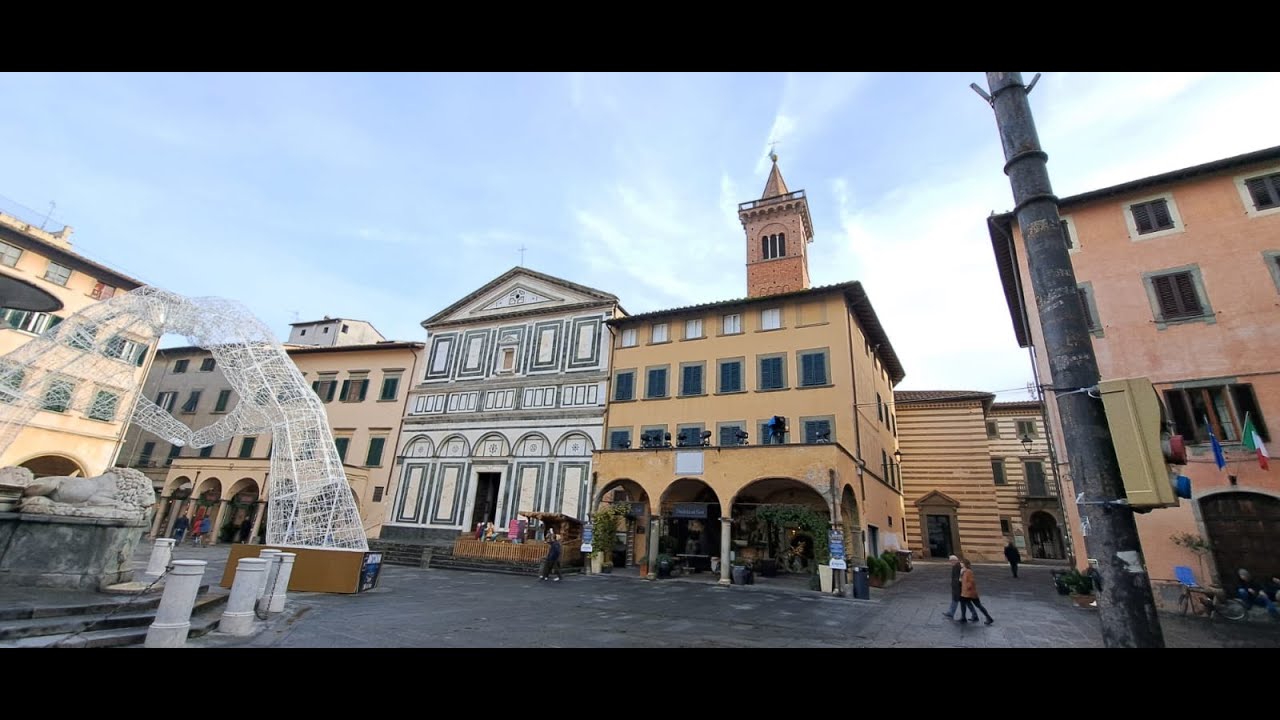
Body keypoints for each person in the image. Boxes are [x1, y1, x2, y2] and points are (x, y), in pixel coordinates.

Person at [959, 559, 995, 625]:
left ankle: (988, 618)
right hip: (965, 592)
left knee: (977, 605)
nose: (960, 564)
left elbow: (971, 581)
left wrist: (967, 588)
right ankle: (985, 617)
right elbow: (960, 580)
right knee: (967, 604)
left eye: (961, 563)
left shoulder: (968, 571)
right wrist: (961, 574)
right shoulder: (963, 571)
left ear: (965, 564)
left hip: (969, 592)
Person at [943, 555, 963, 619]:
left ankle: (974, 614)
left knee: (964, 602)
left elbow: (957, 578)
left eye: (951, 561)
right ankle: (950, 612)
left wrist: (955, 586)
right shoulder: (957, 565)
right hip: (957, 587)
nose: (950, 562)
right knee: (955, 600)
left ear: (954, 560)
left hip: (957, 587)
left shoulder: (956, 566)